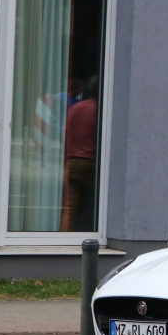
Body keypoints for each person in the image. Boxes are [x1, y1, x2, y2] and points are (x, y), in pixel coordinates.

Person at [62, 76, 98, 231]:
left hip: (73, 161)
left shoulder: (75, 108)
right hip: (91, 162)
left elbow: (65, 134)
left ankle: (64, 239)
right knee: (99, 206)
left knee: (71, 207)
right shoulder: (99, 110)